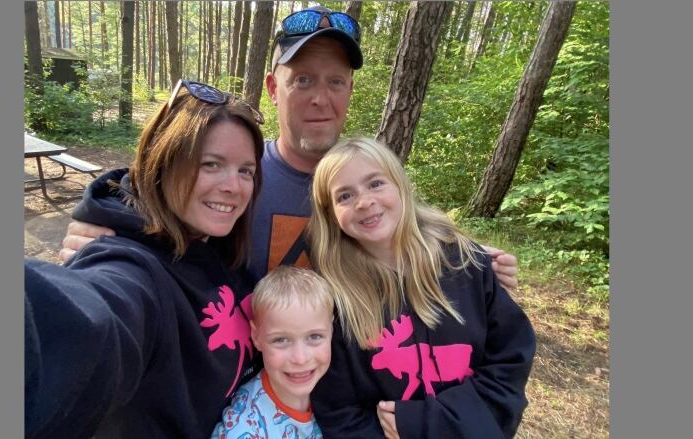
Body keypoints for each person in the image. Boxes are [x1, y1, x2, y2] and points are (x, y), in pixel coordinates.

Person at [57, 5, 520, 291]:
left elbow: (415, 236)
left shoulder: (366, 182)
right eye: (303, 81)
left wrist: (473, 261)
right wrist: (104, 224)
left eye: (335, 81)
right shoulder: (237, 174)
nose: (321, 98)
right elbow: (160, 194)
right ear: (274, 88)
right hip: (240, 383)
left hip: (347, 391)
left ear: (350, 91)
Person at [25, 80, 268, 438]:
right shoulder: (130, 267)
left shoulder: (216, 244)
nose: (234, 186)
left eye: (245, 170)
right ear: (163, 160)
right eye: (211, 164)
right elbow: (89, 319)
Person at [307, 137, 536, 438]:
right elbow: (338, 411)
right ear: (331, 216)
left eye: (375, 184)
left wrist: (422, 423)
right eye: (345, 196)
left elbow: (509, 370)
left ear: (401, 185)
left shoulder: (466, 265)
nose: (363, 202)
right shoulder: (336, 302)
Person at [211, 266, 333, 439]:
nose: (300, 358)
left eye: (315, 336)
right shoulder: (246, 430)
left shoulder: (338, 385)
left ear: (331, 330)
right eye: (281, 340)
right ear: (256, 336)